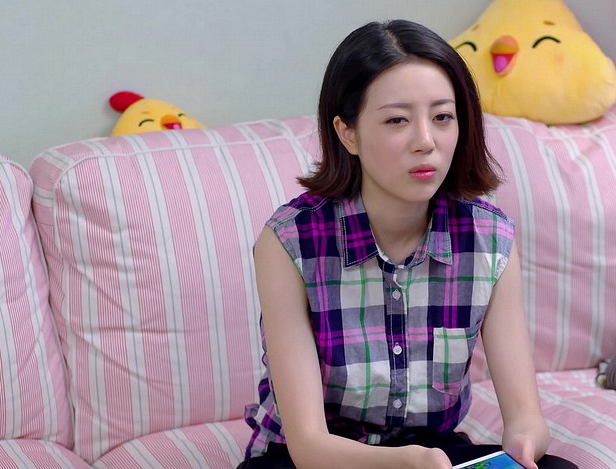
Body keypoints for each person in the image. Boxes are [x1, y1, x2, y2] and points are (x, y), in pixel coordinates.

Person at [241, 19, 576, 469]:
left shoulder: (489, 240)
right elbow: (307, 445)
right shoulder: (289, 242)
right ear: (347, 133)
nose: (425, 141)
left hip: (432, 453)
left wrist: (523, 443)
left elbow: (526, 418)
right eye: (397, 120)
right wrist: (406, 465)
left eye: (442, 117)